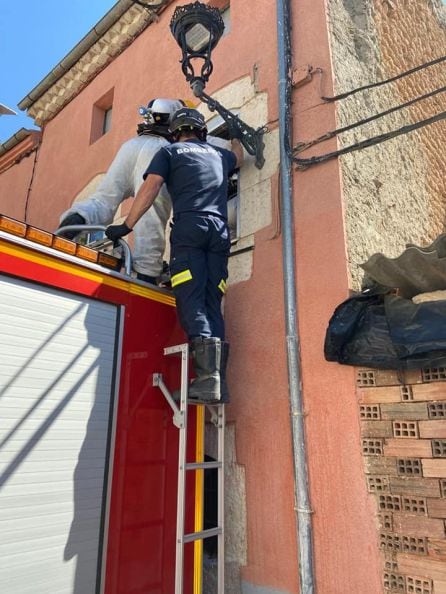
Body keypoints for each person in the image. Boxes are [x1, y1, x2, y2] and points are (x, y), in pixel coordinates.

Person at [105, 107, 244, 403]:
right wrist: (235, 134)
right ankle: (217, 380)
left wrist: (126, 224)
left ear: (175, 132)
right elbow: (239, 157)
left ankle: (208, 380)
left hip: (190, 231)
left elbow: (151, 186)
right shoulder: (220, 155)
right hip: (219, 235)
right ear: (201, 131)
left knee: (190, 297)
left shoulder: (170, 153)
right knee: (211, 299)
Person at [58, 98, 184, 284]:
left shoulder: (129, 144)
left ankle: (75, 221)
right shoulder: (168, 143)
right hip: (159, 152)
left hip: (131, 148)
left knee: (103, 199)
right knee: (151, 215)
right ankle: (146, 275)